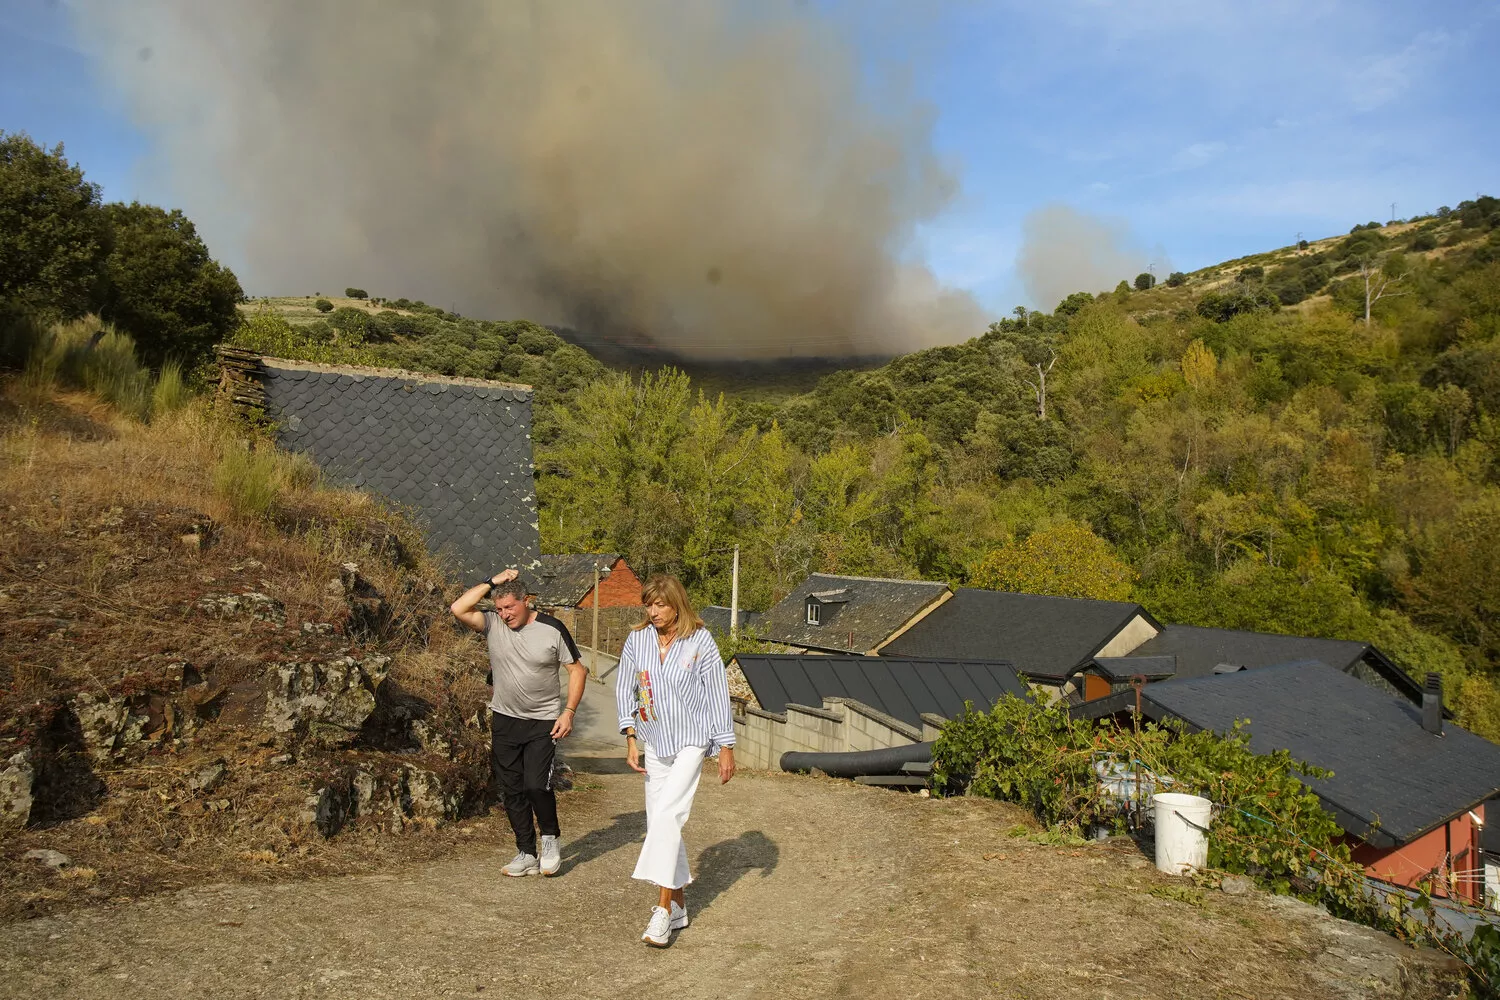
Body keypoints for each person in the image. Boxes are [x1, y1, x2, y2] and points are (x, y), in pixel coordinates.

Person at [614, 574, 736, 947]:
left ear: (676, 604)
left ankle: (662, 911)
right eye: (648, 605)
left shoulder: (699, 641)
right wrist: (631, 737)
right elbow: (625, 687)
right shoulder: (638, 640)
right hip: (654, 741)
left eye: (660, 605)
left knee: (668, 817)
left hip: (691, 741)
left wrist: (725, 745)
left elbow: (717, 692)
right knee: (661, 822)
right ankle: (680, 905)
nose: (653, 612)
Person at [451, 568, 588, 877]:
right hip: (505, 720)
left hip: (543, 722)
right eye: (499, 609)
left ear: (527, 601)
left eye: (509, 607)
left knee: (536, 785)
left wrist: (568, 712)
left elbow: (578, 671)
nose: (504, 614)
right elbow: (458, 608)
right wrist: (493, 582)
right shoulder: (492, 625)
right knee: (511, 789)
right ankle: (526, 851)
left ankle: (550, 839)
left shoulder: (552, 628)